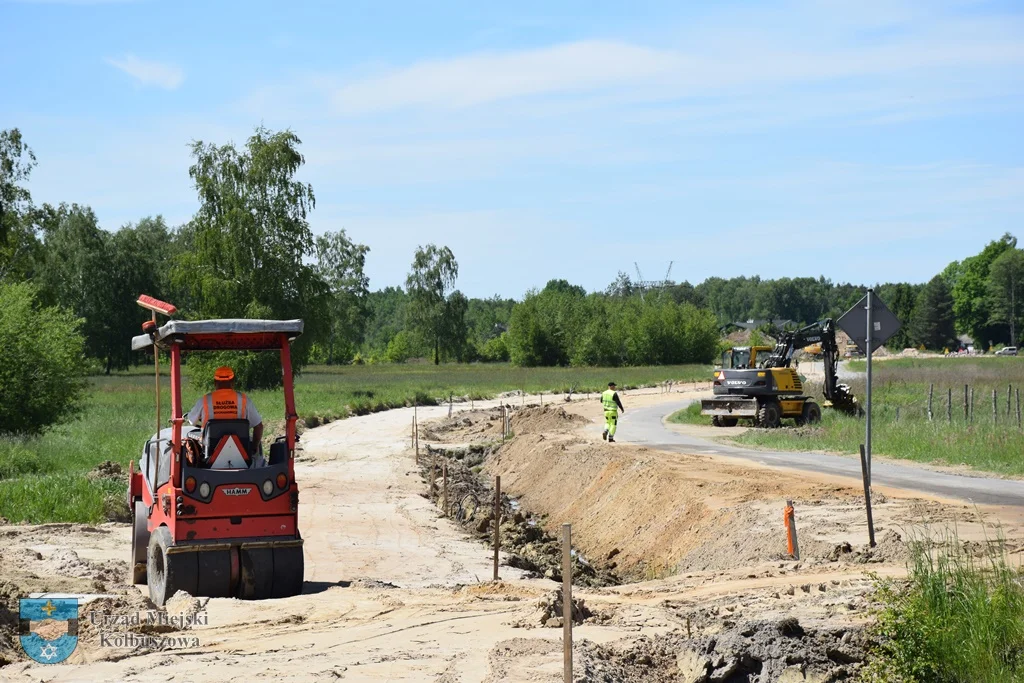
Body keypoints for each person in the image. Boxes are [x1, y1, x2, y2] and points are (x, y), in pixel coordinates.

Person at [186, 366, 263, 459]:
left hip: (210, 452)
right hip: (241, 453)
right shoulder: (244, 400)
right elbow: (258, 426)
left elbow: (191, 420)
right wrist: (254, 448)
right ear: (233, 382)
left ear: (215, 383)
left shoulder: (205, 400)